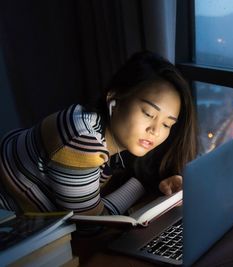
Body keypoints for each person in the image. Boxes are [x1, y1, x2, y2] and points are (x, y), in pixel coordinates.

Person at [0, 51, 198, 216]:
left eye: (167, 124)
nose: (155, 131)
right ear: (114, 98)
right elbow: (92, 225)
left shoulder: (100, 131)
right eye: (148, 113)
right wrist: (143, 187)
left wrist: (155, 184)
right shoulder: (82, 140)